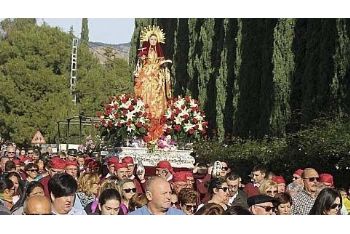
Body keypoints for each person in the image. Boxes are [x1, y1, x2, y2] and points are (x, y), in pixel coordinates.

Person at [134, 25, 172, 141]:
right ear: (148, 40)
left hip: (156, 79)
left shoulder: (159, 53)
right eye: (151, 39)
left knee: (158, 100)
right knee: (145, 98)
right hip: (146, 77)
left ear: (158, 40)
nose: (153, 41)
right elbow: (140, 65)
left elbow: (162, 64)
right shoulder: (144, 51)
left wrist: (164, 65)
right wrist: (142, 60)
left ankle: (157, 125)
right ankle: (145, 121)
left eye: (155, 39)